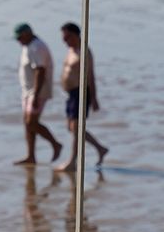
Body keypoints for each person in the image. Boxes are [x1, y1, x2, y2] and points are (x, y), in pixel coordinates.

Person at [54, 22, 108, 172]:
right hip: (71, 94)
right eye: (63, 38)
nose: (65, 40)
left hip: (81, 92)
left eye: (67, 37)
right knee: (71, 128)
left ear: (76, 35)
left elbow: (90, 75)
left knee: (77, 128)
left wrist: (94, 98)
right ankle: (100, 148)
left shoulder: (84, 51)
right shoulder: (71, 50)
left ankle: (72, 162)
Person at [14, 23, 63, 166]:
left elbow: (40, 71)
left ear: (28, 33)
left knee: (31, 122)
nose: (18, 41)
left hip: (38, 91)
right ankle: (31, 156)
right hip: (27, 91)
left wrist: (35, 95)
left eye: (20, 37)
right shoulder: (27, 46)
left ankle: (55, 144)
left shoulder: (37, 47)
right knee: (27, 124)